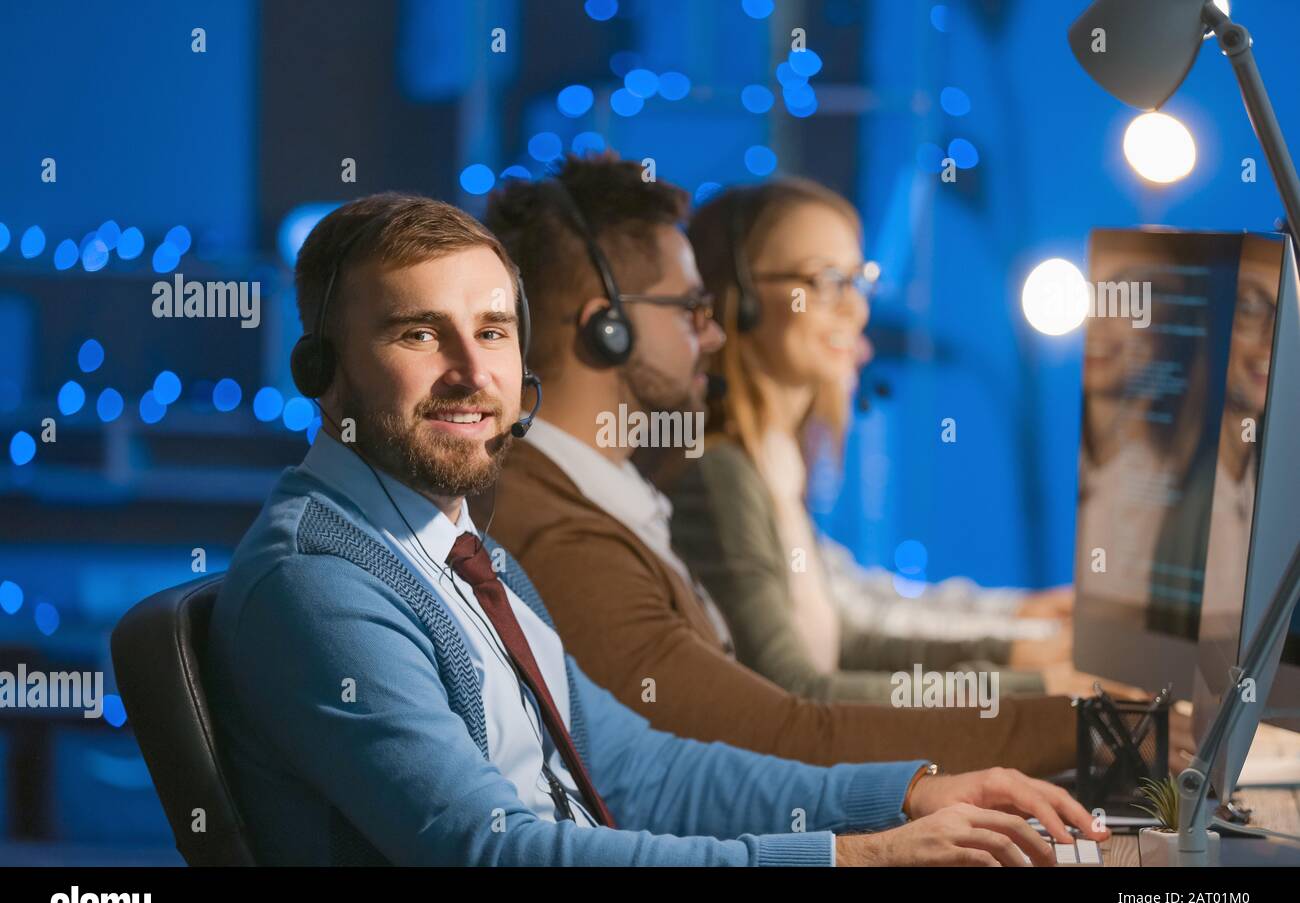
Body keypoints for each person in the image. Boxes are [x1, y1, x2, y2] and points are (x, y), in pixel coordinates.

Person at [203, 191, 1102, 866]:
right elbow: (490, 854)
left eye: (492, 332)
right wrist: (849, 857)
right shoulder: (319, 580)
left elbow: (642, 770)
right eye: (418, 336)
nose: (474, 373)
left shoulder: (463, 556)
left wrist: (905, 794)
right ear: (322, 371)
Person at [480, 153, 1085, 777]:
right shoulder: (577, 533)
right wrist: (1067, 716)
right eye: (690, 309)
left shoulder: (614, 497)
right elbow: (784, 730)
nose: (710, 334)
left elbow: (812, 671)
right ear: (610, 326)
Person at [670, 179, 1079, 705]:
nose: (856, 310)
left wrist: (1023, 652)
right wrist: (1040, 689)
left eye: (859, 281)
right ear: (741, 299)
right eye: (825, 280)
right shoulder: (720, 472)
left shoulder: (775, 462)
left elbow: (847, 639)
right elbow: (796, 692)